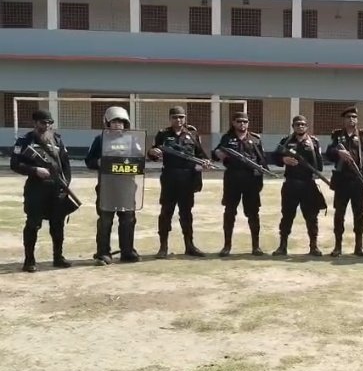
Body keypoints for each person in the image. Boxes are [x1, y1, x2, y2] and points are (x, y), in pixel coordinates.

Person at [10, 109, 73, 272]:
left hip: (56, 189)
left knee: (58, 224)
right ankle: (29, 260)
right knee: (33, 224)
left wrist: (66, 185)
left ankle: (58, 257)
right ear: (35, 123)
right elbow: (14, 164)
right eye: (43, 122)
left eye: (49, 123)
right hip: (36, 189)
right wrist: (35, 170)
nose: (46, 126)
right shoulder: (25, 141)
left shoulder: (57, 140)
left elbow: (66, 165)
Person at [147, 106, 210, 258]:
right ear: (170, 119)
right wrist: (152, 152)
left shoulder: (192, 134)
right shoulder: (163, 134)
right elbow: (153, 153)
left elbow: (201, 155)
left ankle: (189, 246)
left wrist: (206, 162)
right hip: (170, 178)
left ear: (185, 118)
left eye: (181, 117)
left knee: (186, 213)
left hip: (188, 179)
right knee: (166, 212)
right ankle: (163, 247)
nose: (178, 120)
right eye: (175, 117)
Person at [85, 106, 143, 265]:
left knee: (128, 219)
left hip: (127, 187)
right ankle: (103, 253)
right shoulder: (100, 140)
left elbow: (140, 160)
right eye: (114, 121)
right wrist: (97, 162)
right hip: (107, 187)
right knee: (105, 220)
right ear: (107, 123)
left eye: (121, 122)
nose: (118, 124)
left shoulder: (132, 140)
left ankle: (127, 251)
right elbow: (89, 161)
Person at [212, 111, 268, 256]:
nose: (242, 124)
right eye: (239, 121)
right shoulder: (227, 138)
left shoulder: (255, 139)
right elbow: (216, 153)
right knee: (230, 212)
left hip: (251, 181)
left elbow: (262, 160)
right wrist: (218, 154)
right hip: (233, 179)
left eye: (245, 121)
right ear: (233, 123)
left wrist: (260, 172)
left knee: (253, 213)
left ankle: (256, 246)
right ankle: (227, 246)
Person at [271, 115, 325, 256]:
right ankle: (282, 246)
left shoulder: (314, 142)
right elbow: (274, 157)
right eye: (297, 124)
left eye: (303, 124)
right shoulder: (286, 141)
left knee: (311, 217)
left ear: (307, 126)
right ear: (293, 126)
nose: (300, 126)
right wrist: (284, 159)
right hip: (291, 183)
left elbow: (320, 165)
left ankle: (313, 246)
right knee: (287, 216)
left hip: (308, 184)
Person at [325, 106, 363, 257]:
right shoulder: (337, 136)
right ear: (344, 120)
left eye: (354, 117)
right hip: (342, 180)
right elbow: (328, 154)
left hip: (358, 180)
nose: (351, 119)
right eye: (348, 117)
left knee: (359, 214)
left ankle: (359, 247)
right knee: (339, 214)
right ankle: (337, 247)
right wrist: (338, 152)